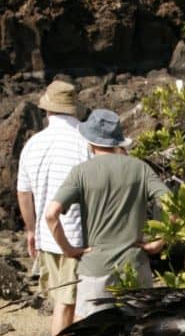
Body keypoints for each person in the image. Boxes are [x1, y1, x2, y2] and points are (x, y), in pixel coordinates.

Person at [45, 109, 170, 319]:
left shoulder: (81, 172)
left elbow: (51, 215)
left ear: (89, 141)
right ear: (118, 141)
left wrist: (69, 250)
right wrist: (160, 241)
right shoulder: (140, 168)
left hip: (95, 268)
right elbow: (171, 203)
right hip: (135, 265)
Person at [17, 80, 90, 336]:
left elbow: (24, 193)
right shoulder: (85, 141)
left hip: (47, 236)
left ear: (47, 110)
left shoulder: (33, 144)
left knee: (61, 301)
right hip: (80, 238)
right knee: (72, 304)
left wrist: (30, 230)